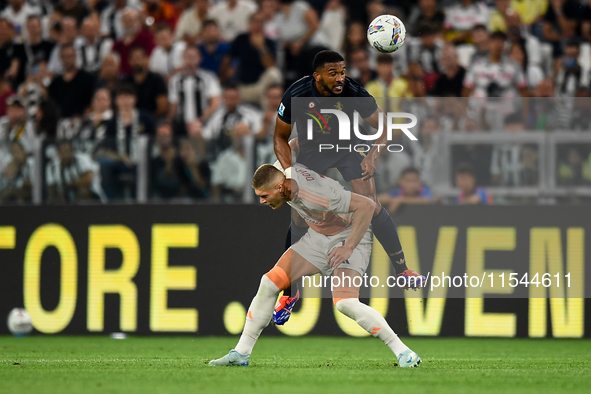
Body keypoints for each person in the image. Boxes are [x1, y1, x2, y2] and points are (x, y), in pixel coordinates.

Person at [208, 163, 422, 368]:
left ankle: (404, 352)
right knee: (269, 282)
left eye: (265, 196)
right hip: (318, 236)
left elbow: (368, 206)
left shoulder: (318, 194)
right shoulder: (280, 173)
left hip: (349, 237)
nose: (262, 201)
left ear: (280, 187)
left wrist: (348, 247)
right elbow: (291, 144)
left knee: (345, 302)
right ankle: (241, 353)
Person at [272, 50, 426, 324]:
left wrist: (372, 155)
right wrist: (289, 173)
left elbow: (385, 126)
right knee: (298, 215)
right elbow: (280, 137)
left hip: (346, 149)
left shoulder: (354, 91)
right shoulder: (297, 94)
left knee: (372, 204)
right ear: (317, 76)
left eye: (342, 71)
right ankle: (289, 291)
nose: (341, 77)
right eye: (333, 73)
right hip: (310, 152)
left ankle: (402, 270)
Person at [220, 12, 281, 107]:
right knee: (225, 94)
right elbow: (227, 58)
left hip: (262, 87)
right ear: (249, 24)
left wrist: (262, 47)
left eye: (261, 22)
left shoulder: (269, 42)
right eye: (255, 21)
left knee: (274, 73)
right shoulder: (241, 39)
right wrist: (224, 76)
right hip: (244, 87)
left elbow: (271, 66)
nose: (258, 25)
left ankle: (270, 114)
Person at [168, 46, 221, 135]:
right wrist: (168, 122)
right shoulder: (175, 80)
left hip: (204, 124)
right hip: (181, 124)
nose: (190, 61)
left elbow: (215, 103)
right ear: (182, 59)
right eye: (187, 57)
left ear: (200, 59)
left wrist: (201, 120)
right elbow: (173, 105)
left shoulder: (209, 78)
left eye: (193, 57)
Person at [47, 43, 96, 119]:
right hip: (60, 123)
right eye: (64, 57)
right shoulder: (55, 84)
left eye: (70, 56)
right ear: (61, 58)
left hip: (81, 122)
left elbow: (92, 103)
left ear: (75, 57)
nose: (67, 60)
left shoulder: (88, 79)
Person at [125, 45, 168, 118]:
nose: (137, 62)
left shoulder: (156, 79)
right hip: (130, 120)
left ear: (146, 59)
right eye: (134, 59)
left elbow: (163, 107)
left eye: (139, 58)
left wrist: (147, 120)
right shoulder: (126, 81)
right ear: (130, 61)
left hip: (153, 119)